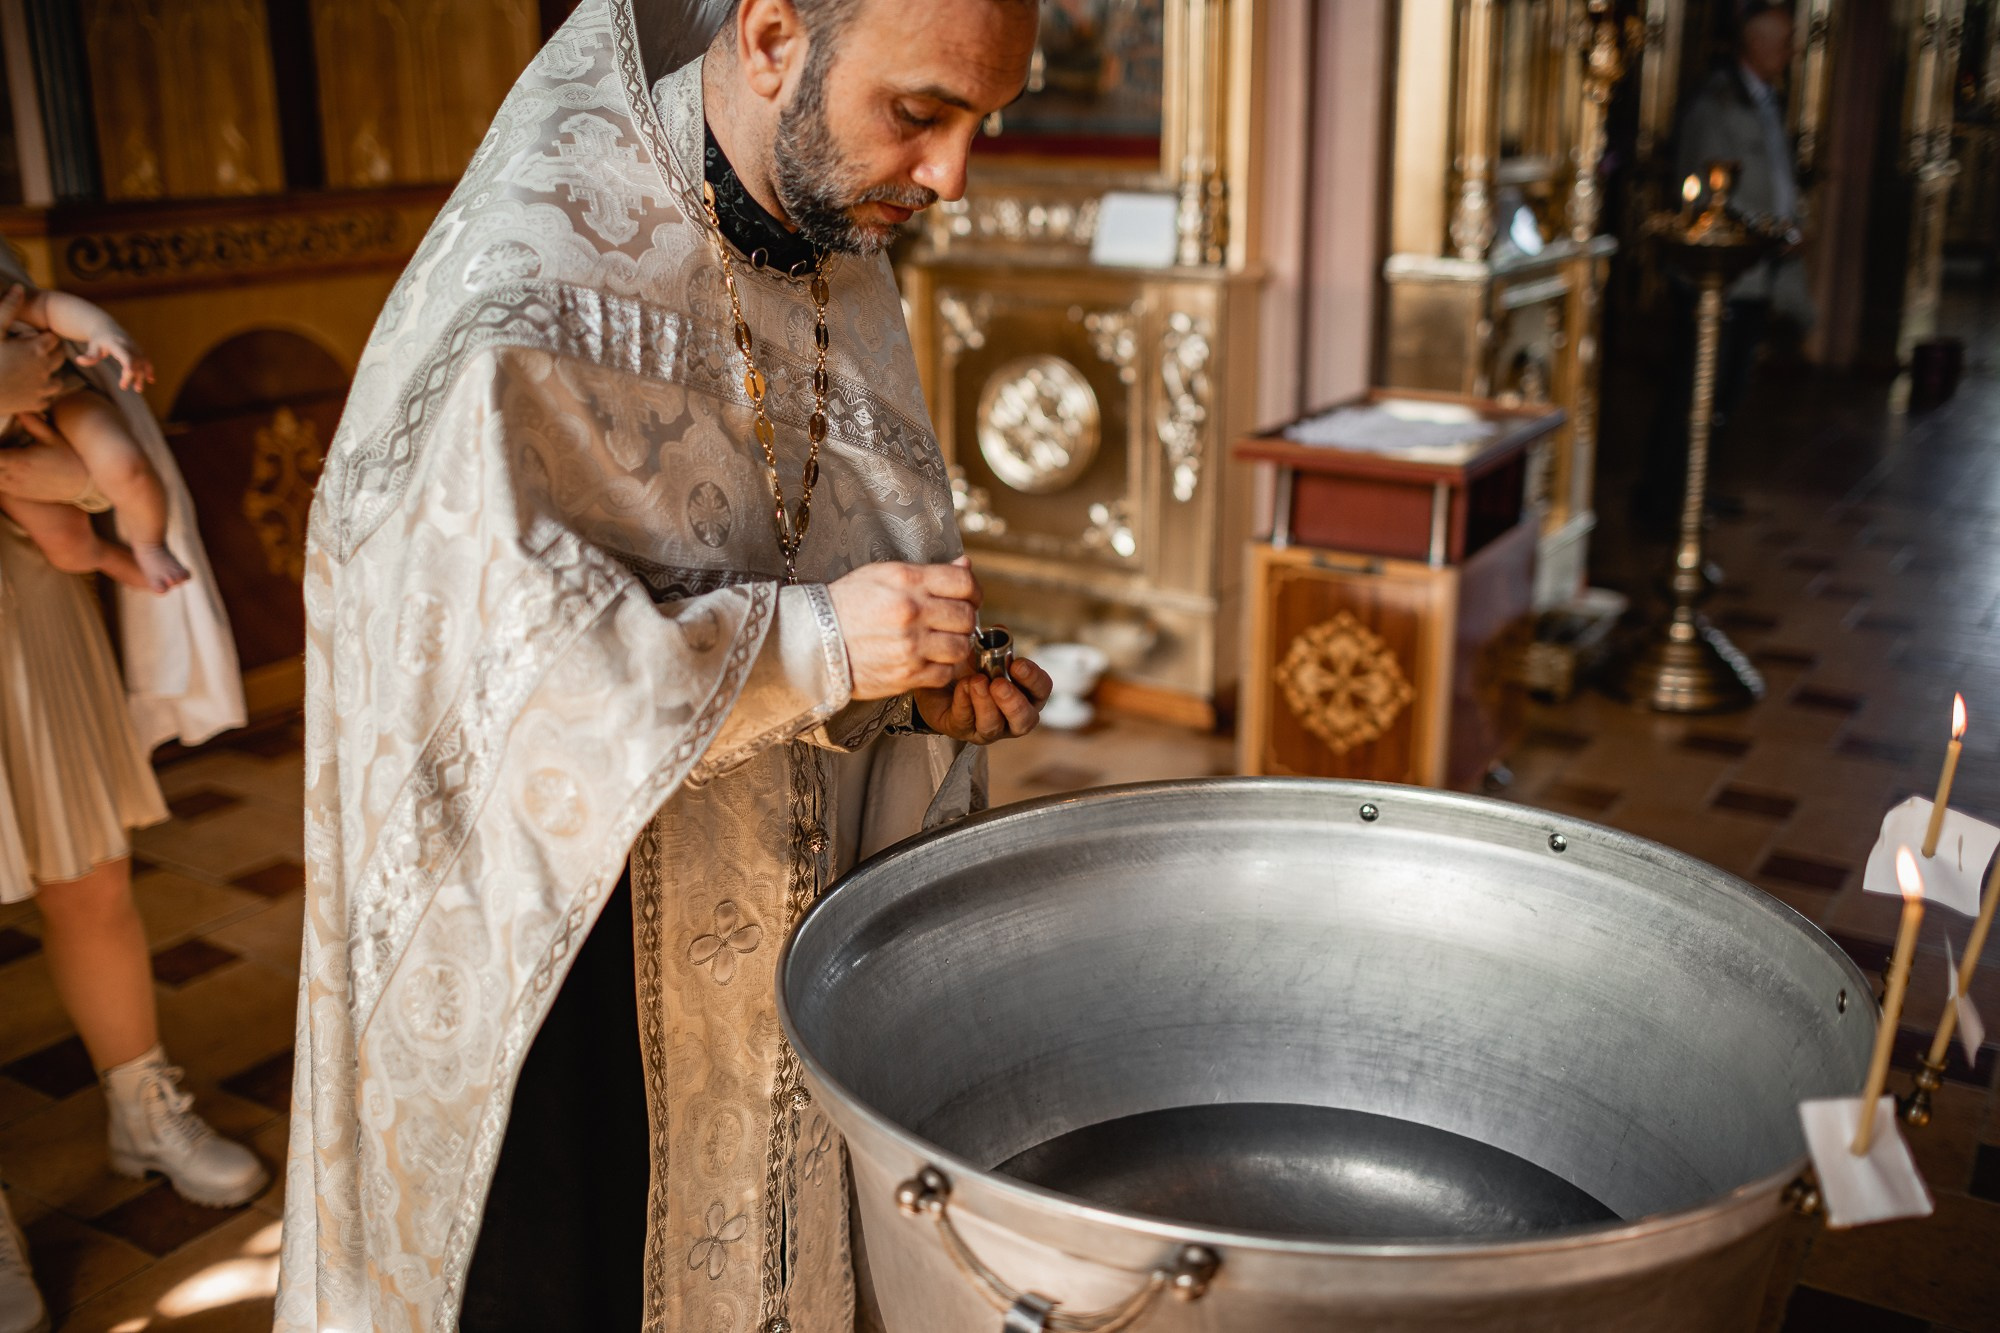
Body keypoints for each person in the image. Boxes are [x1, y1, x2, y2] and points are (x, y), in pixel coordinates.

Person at [274, 1, 1044, 1331]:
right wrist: (815, 645)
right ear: (768, 39)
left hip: (760, 944)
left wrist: (901, 684)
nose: (952, 176)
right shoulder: (523, 286)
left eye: (984, 124)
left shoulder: (834, 251)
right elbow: (481, 677)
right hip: (561, 974)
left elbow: (828, 545)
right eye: (921, 114)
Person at [0, 271, 258, 1333]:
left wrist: (89, 485)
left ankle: (139, 1107)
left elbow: (92, 447)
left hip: (24, 601)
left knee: (92, 877)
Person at [1636, 0, 1812, 529]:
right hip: (1718, 275)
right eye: (1783, 43)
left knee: (1726, 393)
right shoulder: (1714, 104)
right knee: (1692, 391)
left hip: (1755, 275)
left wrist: (1788, 224)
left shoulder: (1766, 100)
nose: (1791, 53)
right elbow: (1706, 194)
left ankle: (1693, 492)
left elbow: (1775, 177)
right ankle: (1661, 502)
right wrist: (1766, 232)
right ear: (1755, 46)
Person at [0, 282, 191, 594]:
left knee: (124, 466)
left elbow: (46, 306)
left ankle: (150, 545)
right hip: (5, 453)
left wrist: (101, 329)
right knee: (65, 543)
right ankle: (107, 557)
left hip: (57, 398)